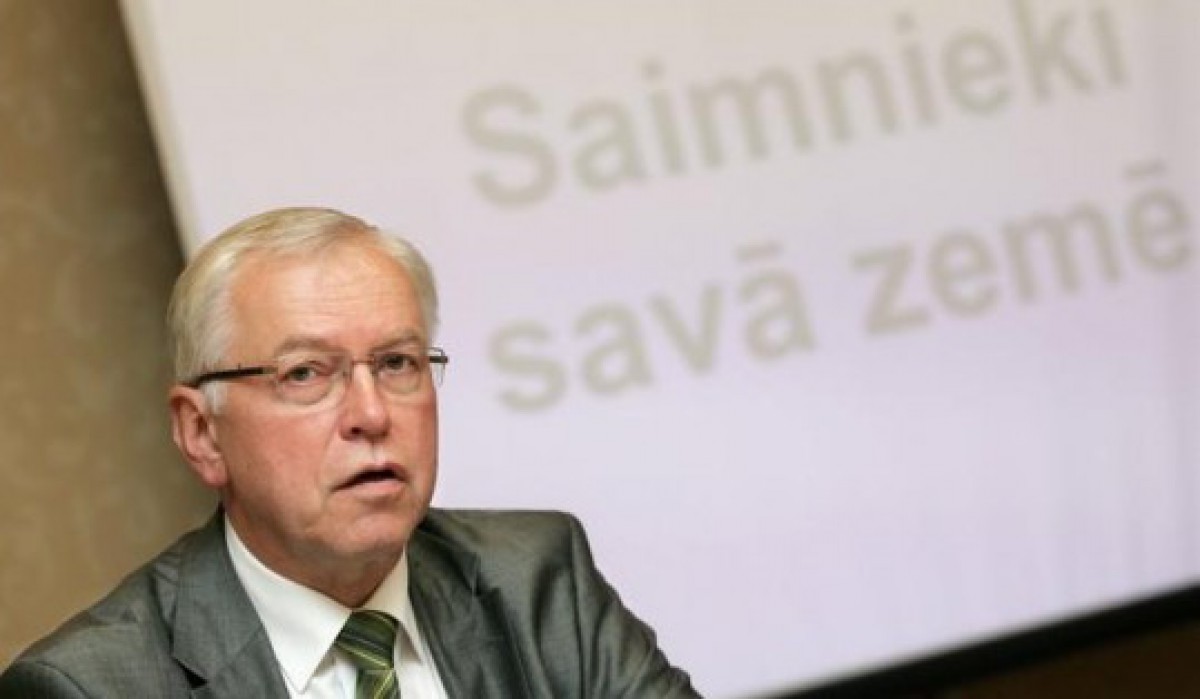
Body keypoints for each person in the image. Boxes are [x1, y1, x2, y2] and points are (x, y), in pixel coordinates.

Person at [0, 207, 698, 698]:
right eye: (305, 373)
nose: (371, 414)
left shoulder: (536, 581)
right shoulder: (91, 686)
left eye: (396, 363)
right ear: (202, 432)